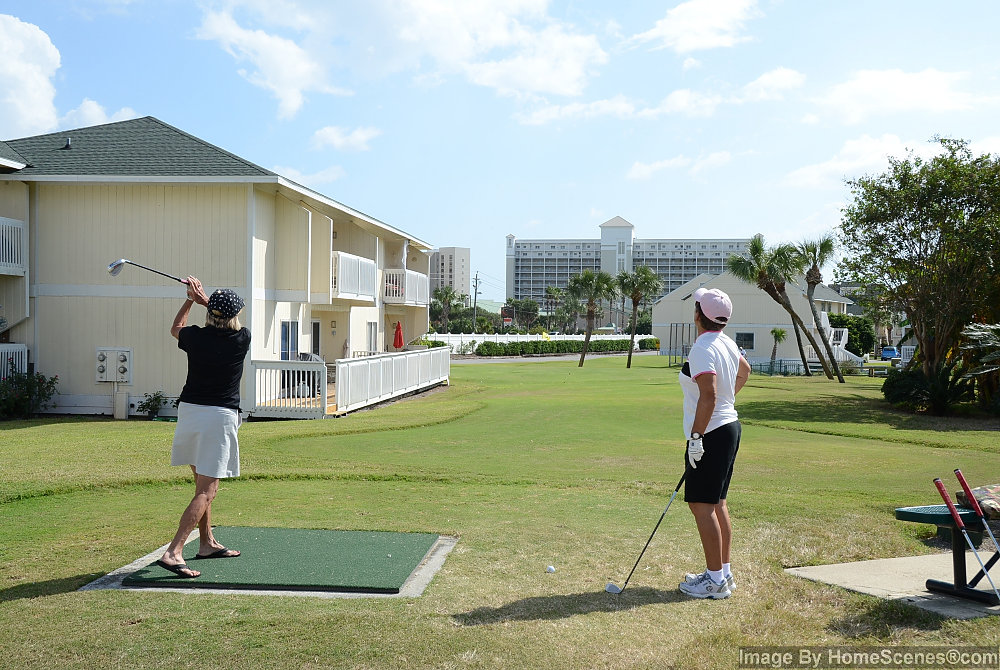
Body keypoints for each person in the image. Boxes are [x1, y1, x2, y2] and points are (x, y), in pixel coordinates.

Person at [156, 277, 251, 578]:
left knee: (201, 485)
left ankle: (207, 543)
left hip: (190, 413)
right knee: (208, 491)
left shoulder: (195, 336)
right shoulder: (242, 338)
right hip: (217, 418)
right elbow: (225, 318)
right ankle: (174, 551)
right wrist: (203, 298)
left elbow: (175, 329)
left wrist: (190, 299)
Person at [677, 287, 751, 599]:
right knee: (717, 502)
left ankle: (715, 582)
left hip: (711, 433)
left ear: (698, 315)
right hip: (728, 426)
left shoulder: (702, 347)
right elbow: (744, 371)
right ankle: (723, 573)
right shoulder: (727, 342)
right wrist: (727, 400)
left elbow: (708, 394)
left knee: (701, 504)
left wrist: (696, 438)